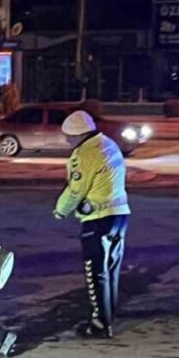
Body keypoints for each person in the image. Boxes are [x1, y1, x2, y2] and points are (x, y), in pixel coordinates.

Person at [53, 110, 130, 339]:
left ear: (78, 135)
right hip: (120, 216)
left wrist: (60, 210)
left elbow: (75, 190)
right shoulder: (109, 144)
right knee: (111, 270)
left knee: (96, 273)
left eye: (69, 137)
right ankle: (108, 316)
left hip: (98, 219)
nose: (67, 141)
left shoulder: (84, 154)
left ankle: (99, 324)